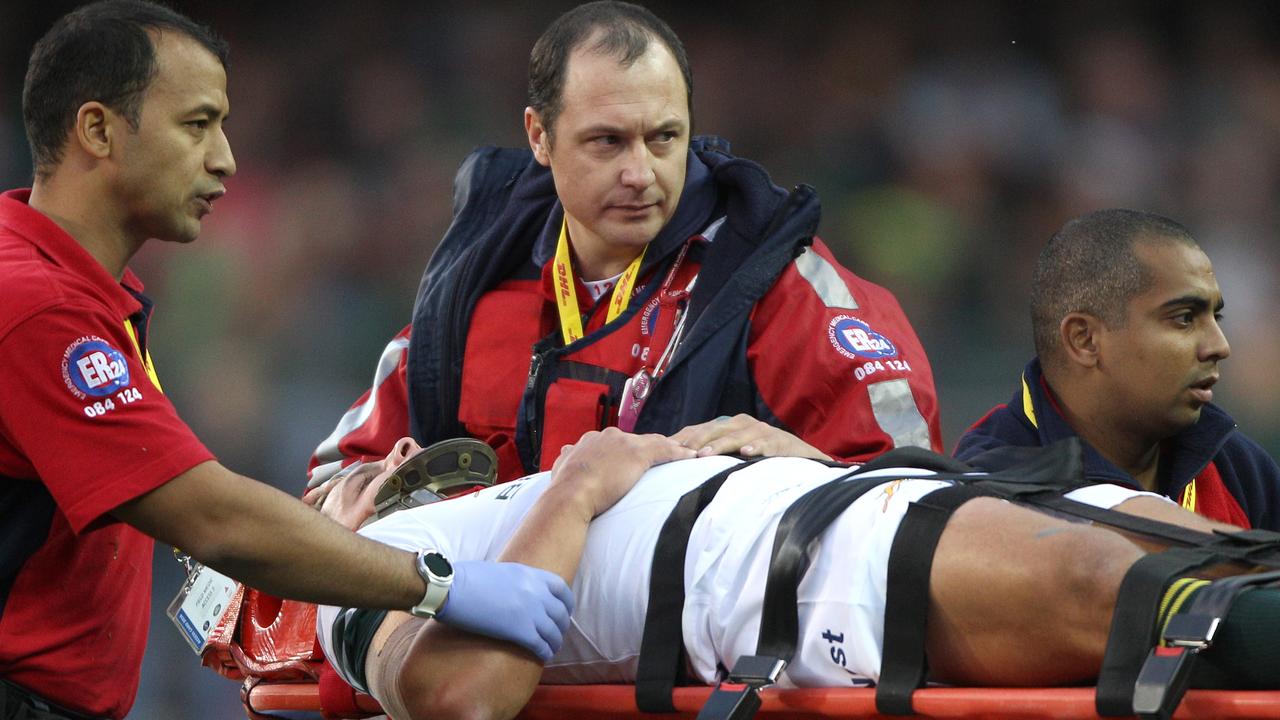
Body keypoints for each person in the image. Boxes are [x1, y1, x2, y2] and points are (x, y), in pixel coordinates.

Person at [0, 4, 572, 718]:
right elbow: (214, 520)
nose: (224, 159)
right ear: (97, 129)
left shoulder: (77, 291)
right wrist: (440, 582)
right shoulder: (36, 304)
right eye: (196, 124)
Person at [308, 0, 942, 487]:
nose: (641, 173)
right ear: (539, 136)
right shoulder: (472, 284)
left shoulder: (773, 282)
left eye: (664, 138)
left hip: (693, 655)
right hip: (502, 648)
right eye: (607, 142)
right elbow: (336, 479)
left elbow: (913, 487)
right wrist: (372, 493)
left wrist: (806, 469)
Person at [311, 428, 1280, 720]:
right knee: (1120, 592)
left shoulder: (488, 508)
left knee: (1204, 544)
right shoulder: (346, 586)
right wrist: (574, 490)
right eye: (323, 483)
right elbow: (459, 700)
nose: (377, 452)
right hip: (779, 572)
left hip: (851, 497)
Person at [954, 209, 1280, 529]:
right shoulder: (990, 494)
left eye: (1215, 317)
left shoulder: (1240, 469)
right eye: (1184, 318)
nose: (1220, 346)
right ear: (1085, 340)